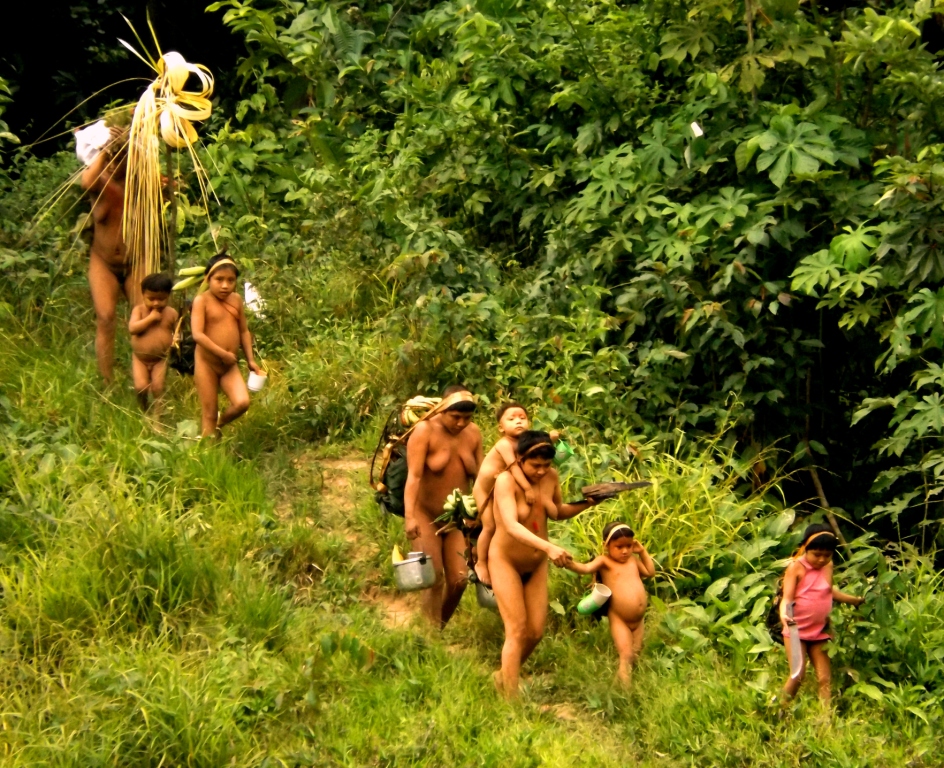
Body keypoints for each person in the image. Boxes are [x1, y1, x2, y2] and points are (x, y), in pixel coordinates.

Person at [490, 430, 600, 698]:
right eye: (534, 465)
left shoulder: (551, 477)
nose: (540, 471)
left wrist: (589, 504)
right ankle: (510, 701)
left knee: (536, 631)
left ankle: (503, 675)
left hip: (537, 563)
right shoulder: (505, 481)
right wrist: (549, 546)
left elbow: (557, 512)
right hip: (506, 561)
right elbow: (512, 526)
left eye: (546, 465)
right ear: (519, 460)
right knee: (516, 630)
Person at [404, 385, 483, 628]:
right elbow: (414, 477)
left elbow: (480, 478)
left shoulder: (474, 434)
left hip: (456, 518)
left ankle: (437, 627)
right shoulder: (424, 431)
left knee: (460, 580)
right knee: (434, 577)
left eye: (466, 418)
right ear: (442, 410)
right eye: (455, 417)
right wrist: (410, 517)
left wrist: (480, 517)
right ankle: (428, 637)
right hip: (425, 513)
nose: (461, 423)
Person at [472, 402, 558, 587]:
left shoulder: (523, 443)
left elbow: (540, 445)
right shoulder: (504, 444)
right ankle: (481, 563)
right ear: (501, 427)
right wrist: (527, 488)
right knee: (490, 527)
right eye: (511, 419)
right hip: (484, 491)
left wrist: (552, 437)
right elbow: (513, 467)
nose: (518, 421)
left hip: (501, 490)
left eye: (522, 418)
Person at [779, 524, 865, 705]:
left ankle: (825, 720)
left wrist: (854, 600)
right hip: (796, 629)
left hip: (820, 630)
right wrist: (784, 616)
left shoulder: (828, 566)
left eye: (827, 555)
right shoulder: (796, 567)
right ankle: (780, 711)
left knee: (825, 678)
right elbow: (786, 599)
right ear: (805, 548)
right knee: (798, 674)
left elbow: (827, 591)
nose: (821, 559)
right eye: (816, 554)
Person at [565, 522, 655, 687]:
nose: (625, 551)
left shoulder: (633, 561)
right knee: (626, 654)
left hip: (639, 619)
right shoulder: (604, 562)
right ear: (606, 545)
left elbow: (650, 572)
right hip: (620, 618)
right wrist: (570, 564)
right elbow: (585, 568)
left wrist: (642, 552)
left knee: (635, 654)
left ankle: (617, 686)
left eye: (629, 546)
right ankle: (627, 695)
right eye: (619, 547)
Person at [80, 127, 133, 384]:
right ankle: (106, 382)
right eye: (110, 157)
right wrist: (106, 148)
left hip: (136, 260)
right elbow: (86, 181)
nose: (113, 163)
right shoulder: (98, 181)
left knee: (144, 316)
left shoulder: (139, 181)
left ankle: (144, 378)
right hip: (103, 261)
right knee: (106, 318)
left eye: (118, 156)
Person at [191, 253, 263, 438]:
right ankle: (207, 455)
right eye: (219, 279)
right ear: (208, 279)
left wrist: (251, 360)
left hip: (229, 365)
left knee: (242, 403)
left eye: (230, 280)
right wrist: (222, 353)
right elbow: (198, 334)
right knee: (209, 412)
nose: (225, 285)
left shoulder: (236, 300)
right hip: (207, 364)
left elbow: (244, 331)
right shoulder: (202, 301)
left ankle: (218, 425)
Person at [128, 272, 178, 414]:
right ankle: (143, 409)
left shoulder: (171, 313)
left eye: (161, 299)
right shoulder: (139, 310)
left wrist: (177, 339)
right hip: (140, 358)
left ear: (168, 296)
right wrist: (150, 319)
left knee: (157, 388)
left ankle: (157, 419)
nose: (156, 303)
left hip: (160, 359)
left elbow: (178, 330)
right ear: (143, 295)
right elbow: (132, 328)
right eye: (151, 299)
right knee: (141, 387)